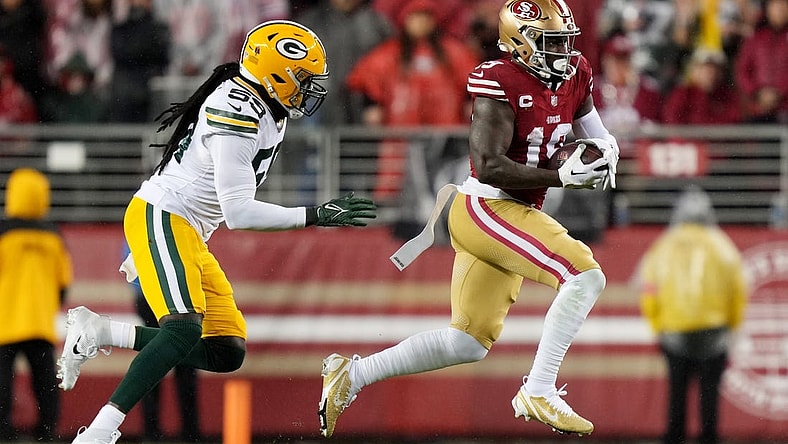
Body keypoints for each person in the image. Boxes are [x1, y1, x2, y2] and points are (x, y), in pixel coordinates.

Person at [55, 20, 377, 444]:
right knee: (183, 329)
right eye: (302, 79)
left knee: (226, 350)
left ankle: (100, 332)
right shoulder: (238, 108)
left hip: (188, 228)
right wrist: (316, 214)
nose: (308, 89)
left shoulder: (265, 105)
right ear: (275, 73)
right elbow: (239, 212)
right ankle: (99, 432)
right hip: (164, 214)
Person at [319, 0, 618, 438]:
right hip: (489, 206)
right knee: (584, 277)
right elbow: (489, 164)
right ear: (520, 41)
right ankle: (538, 388)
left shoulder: (576, 72)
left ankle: (352, 375)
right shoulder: (498, 79)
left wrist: (606, 150)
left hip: (515, 210)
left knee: (467, 343)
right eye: (551, 42)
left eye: (564, 41)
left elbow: (595, 131)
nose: (562, 51)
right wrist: (559, 175)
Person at [635, 185, 748, 444]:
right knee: (709, 394)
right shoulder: (722, 244)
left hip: (674, 329)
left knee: (677, 392)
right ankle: (709, 438)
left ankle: (675, 437)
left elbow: (649, 288)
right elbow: (738, 289)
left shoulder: (664, 245)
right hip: (714, 330)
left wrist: (657, 325)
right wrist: (732, 326)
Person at [0, 168, 73, 442]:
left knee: (2, 383)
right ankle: (46, 431)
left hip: (4, 322)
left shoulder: (3, 232)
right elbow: (63, 280)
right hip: (40, 322)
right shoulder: (53, 236)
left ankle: (4, 431)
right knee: (45, 384)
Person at [120, 243, 201, 442]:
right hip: (177, 296)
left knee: (154, 362)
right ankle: (189, 433)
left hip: (150, 297)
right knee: (184, 362)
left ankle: (152, 432)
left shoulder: (140, 219)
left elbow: (131, 264)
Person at [734, 0, 788, 123]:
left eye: (784, 5)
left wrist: (779, 92)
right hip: (757, 108)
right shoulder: (756, 38)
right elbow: (742, 70)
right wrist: (757, 92)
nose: (781, 9)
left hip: (785, 108)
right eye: (776, 5)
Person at [662, 48, 741, 125]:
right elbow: (672, 122)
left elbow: (734, 121)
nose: (711, 74)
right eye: (706, 69)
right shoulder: (682, 95)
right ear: (694, 71)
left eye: (716, 70)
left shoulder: (728, 96)